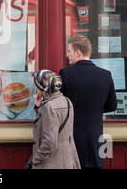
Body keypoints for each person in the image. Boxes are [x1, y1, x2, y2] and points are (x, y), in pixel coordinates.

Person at [59, 36, 117, 169]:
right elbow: (112, 105)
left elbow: (60, 106)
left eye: (69, 51)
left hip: (71, 137)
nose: (67, 55)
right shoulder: (105, 75)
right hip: (95, 136)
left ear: (78, 52)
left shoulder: (65, 73)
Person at [29, 69, 80, 169]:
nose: (35, 88)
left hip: (52, 163)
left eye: (36, 85)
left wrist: (37, 159)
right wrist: (39, 106)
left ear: (41, 88)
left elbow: (49, 142)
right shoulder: (67, 101)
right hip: (67, 159)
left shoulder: (49, 107)